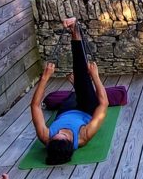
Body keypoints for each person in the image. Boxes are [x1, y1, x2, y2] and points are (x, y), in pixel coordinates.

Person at [30, 18, 109, 164]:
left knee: (76, 91)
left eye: (56, 134)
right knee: (83, 76)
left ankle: (77, 86)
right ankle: (74, 28)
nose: (59, 131)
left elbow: (35, 106)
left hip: (66, 110)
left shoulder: (45, 136)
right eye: (63, 134)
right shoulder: (83, 136)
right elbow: (104, 104)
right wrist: (95, 76)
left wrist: (45, 77)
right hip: (87, 109)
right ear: (70, 141)